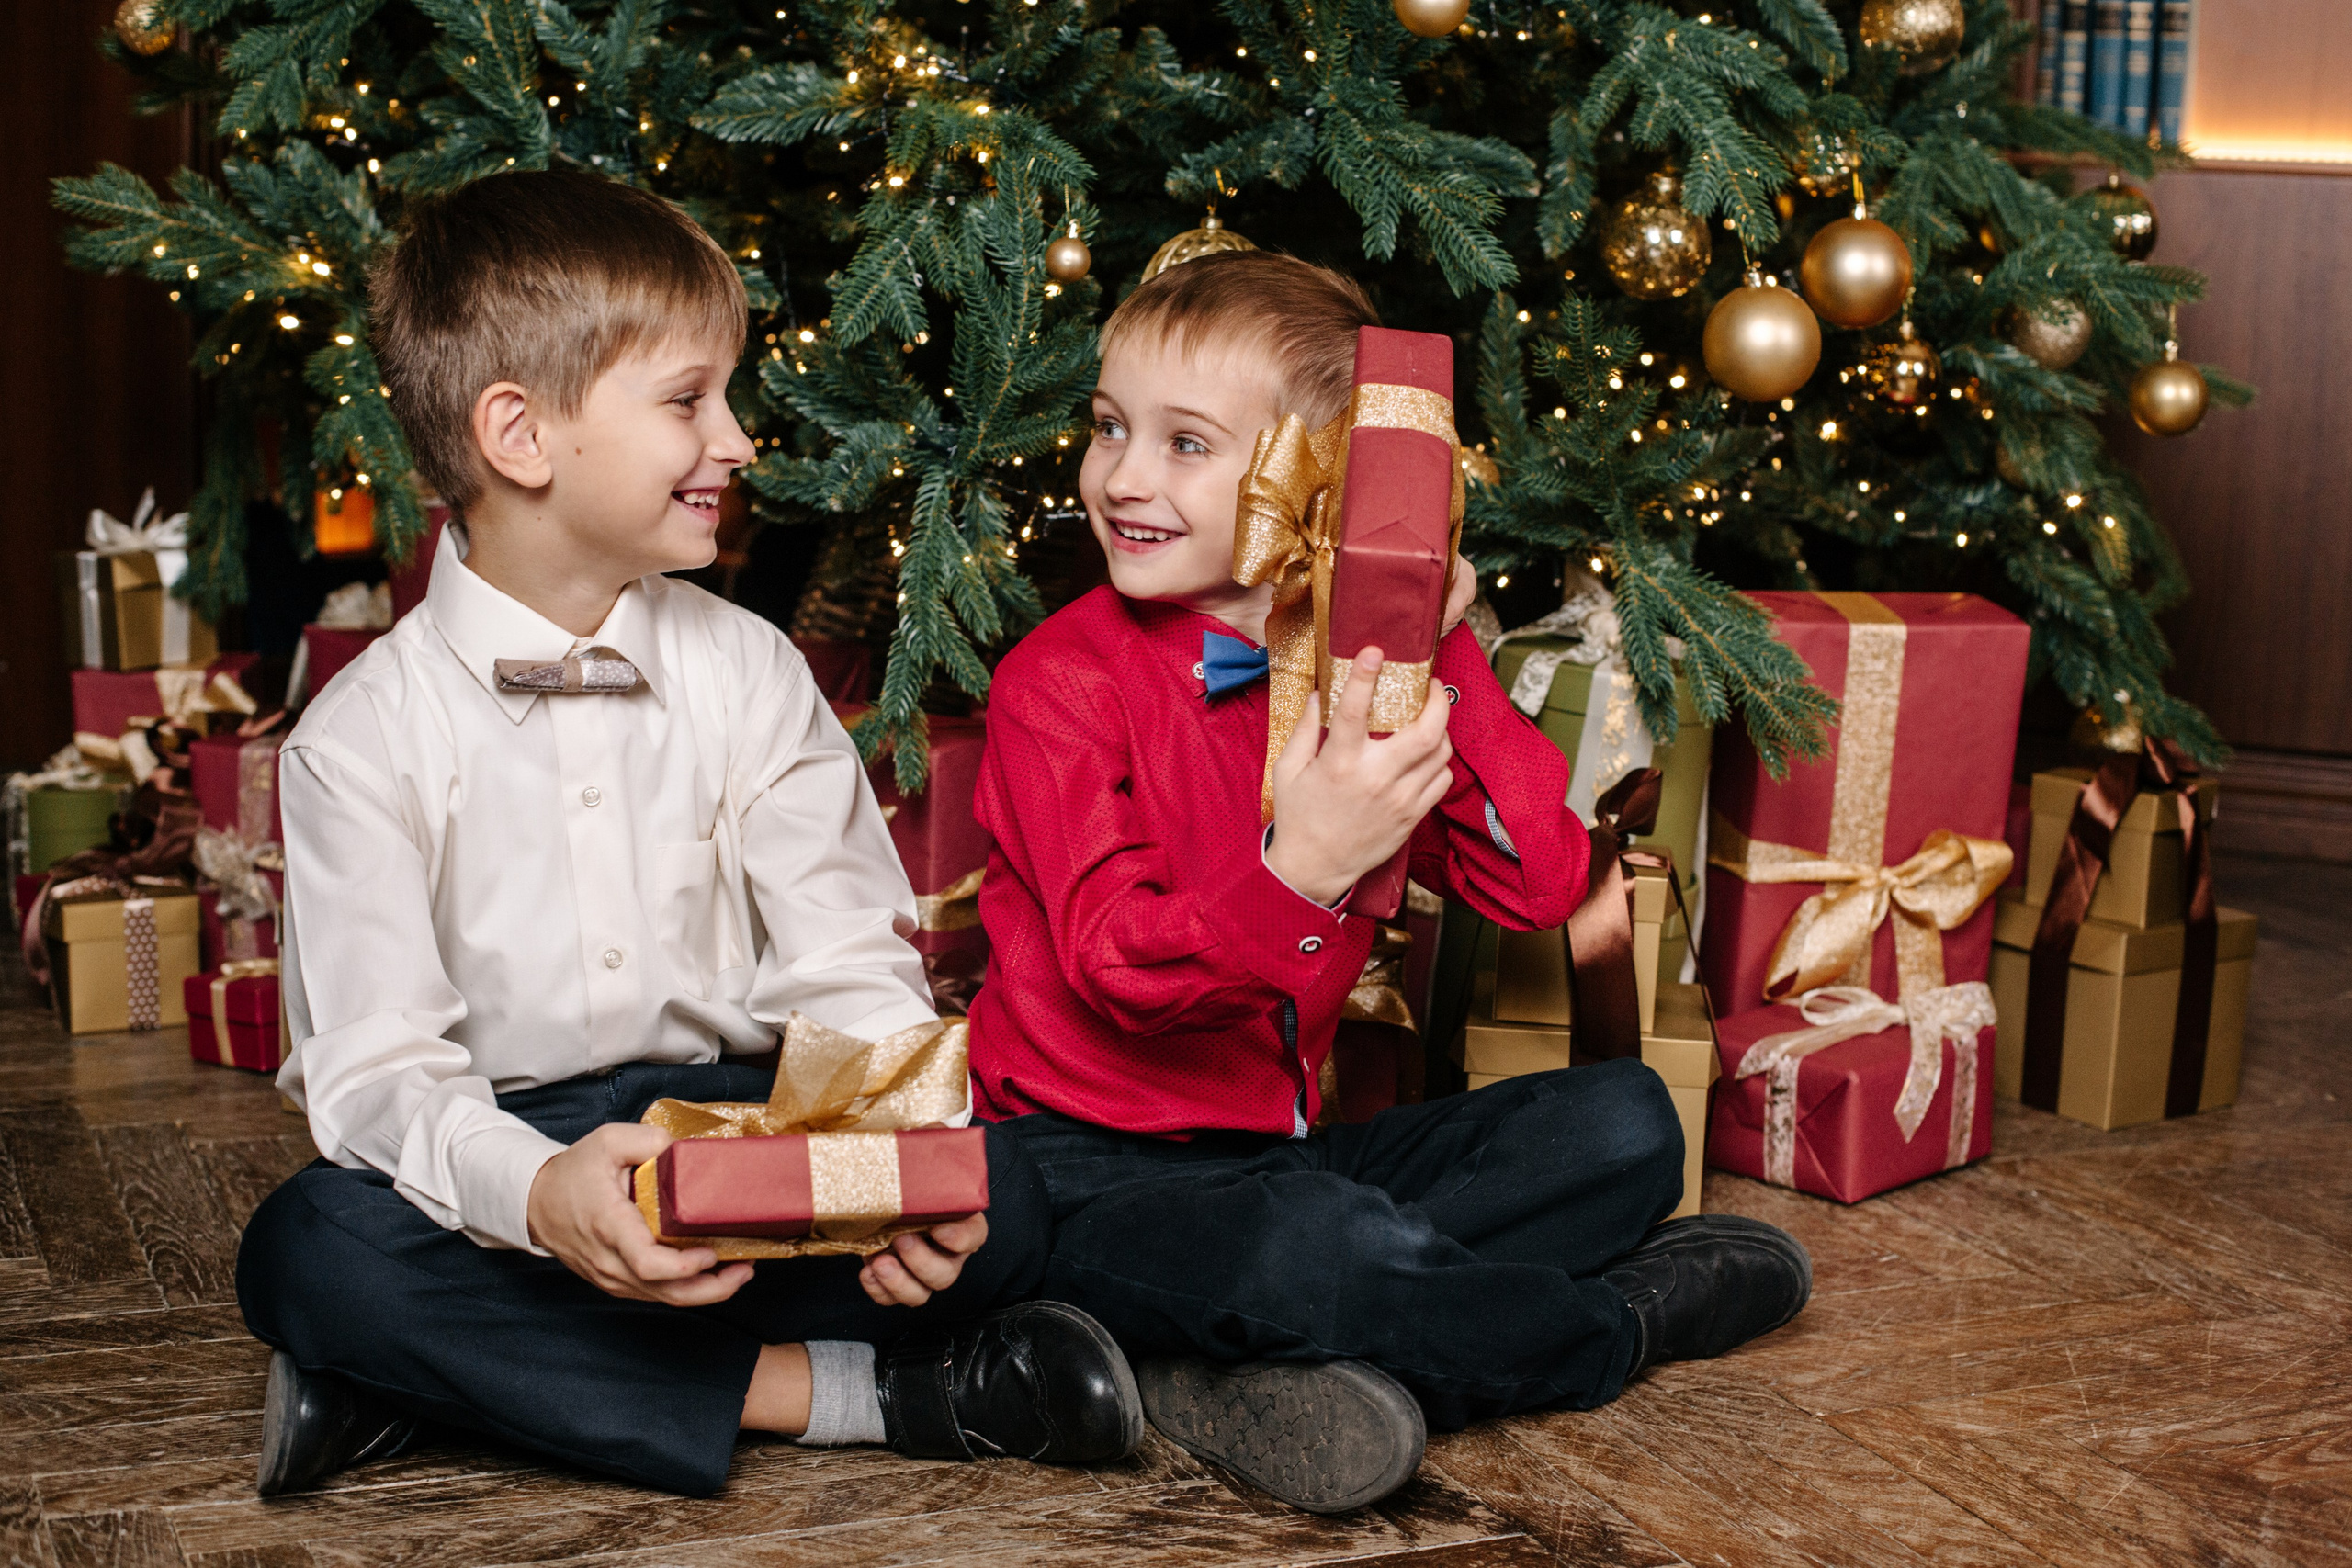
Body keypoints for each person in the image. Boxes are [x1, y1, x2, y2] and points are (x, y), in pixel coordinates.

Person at [235, 169, 1140, 1500]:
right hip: (523, 1156)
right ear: (519, 436)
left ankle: (433, 1389)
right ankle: (859, 1395)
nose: (737, 441)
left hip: (740, 1128)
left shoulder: (752, 670)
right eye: (686, 402)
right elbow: (380, 1082)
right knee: (310, 1249)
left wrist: (889, 1166)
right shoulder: (357, 741)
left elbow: (846, 956)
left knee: (1005, 1187)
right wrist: (540, 1197)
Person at [968, 251, 1813, 1514]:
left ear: (1322, 486)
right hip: (1082, 1173)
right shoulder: (1061, 684)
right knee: (1317, 1252)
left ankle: (1222, 1360)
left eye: (1185, 444)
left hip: (1287, 1151)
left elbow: (1539, 884)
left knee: (1627, 1123)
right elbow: (1117, 968)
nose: (1121, 476)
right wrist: (1302, 869)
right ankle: (1605, 1330)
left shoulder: (1360, 677)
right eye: (1107, 428)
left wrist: (1435, 644)